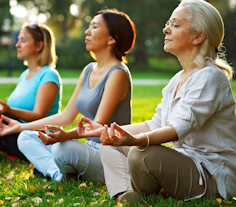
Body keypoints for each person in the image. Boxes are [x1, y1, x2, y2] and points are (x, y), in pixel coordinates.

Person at [77, 0, 236, 203]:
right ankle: (126, 194)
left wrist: (136, 141)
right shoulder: (177, 79)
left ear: (198, 36)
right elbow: (155, 124)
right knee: (110, 145)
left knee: (140, 154)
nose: (165, 29)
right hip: (185, 163)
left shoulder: (209, 77)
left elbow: (177, 129)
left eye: (175, 24)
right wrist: (104, 131)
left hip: (210, 175)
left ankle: (148, 187)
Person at [0, 9, 136, 181]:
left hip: (109, 156)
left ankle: (55, 169)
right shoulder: (89, 70)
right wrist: (20, 127)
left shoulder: (117, 74)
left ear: (112, 39)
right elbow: (66, 116)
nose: (87, 31)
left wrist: (66, 136)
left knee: (63, 148)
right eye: (89, 26)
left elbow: (97, 126)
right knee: (26, 137)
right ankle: (58, 174)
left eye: (95, 27)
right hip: (87, 150)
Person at [0, 23, 62, 161]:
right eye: (18, 40)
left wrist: (7, 110)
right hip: (10, 132)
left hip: (31, 138)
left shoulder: (49, 75)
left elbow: (39, 115)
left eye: (23, 40)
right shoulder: (24, 75)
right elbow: (3, 108)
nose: (17, 45)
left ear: (39, 46)